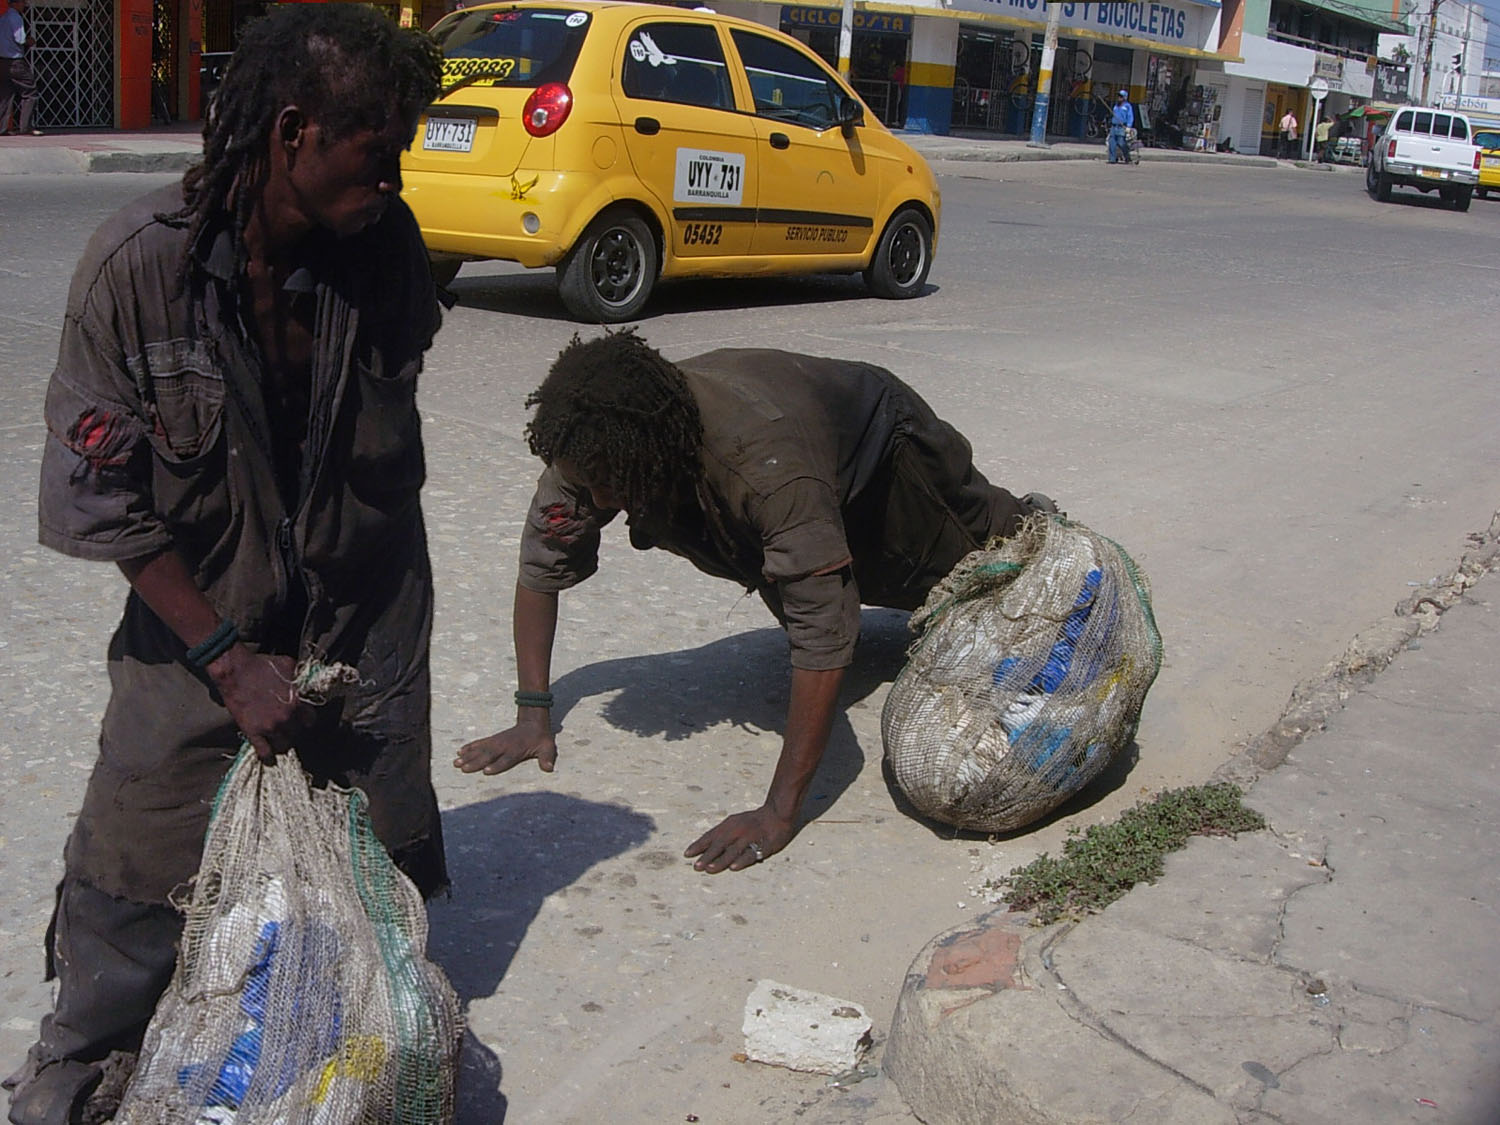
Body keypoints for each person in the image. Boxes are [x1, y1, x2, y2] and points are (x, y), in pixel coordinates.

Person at [2, 7, 446, 1122]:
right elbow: (97, 500)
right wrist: (226, 655)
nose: (393, 180)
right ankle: (71, 1070)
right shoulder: (137, 267)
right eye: (376, 152)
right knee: (139, 845)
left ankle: (345, 1040)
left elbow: (385, 409)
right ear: (292, 131)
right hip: (198, 616)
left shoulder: (383, 248)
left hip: (368, 608)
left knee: (374, 849)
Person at [457, 332, 1059, 875]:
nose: (599, 498)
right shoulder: (590, 445)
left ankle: (1043, 525)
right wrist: (532, 714)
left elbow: (824, 633)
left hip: (882, 448)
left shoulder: (766, 471)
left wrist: (777, 815)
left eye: (612, 483)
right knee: (808, 559)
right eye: (586, 481)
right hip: (784, 463)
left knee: (976, 570)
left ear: (652, 452)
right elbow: (542, 564)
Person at [0, 0, 39, 137]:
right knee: (30, 91)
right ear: (15, 3)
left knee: (6, 94)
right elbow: (20, 39)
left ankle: (2, 128)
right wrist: (31, 41)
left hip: (2, 61)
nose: (25, 5)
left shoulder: (3, 18)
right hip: (15, 60)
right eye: (23, 3)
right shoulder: (15, 17)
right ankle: (26, 127)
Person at [1108, 89, 1134, 164]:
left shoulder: (1127, 106)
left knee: (1121, 142)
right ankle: (1112, 159)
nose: (1119, 98)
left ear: (1125, 98)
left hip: (1122, 127)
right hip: (1114, 126)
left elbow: (1130, 116)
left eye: (1121, 96)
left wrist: (1129, 126)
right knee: (1112, 142)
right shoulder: (1115, 106)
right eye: (1118, 96)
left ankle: (1127, 157)